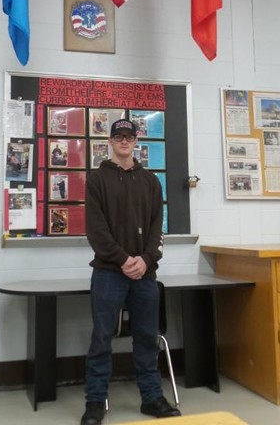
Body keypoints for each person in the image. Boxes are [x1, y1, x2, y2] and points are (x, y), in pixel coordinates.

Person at [81, 119, 181, 425]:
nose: (124, 140)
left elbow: (157, 228)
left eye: (129, 136)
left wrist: (146, 260)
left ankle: (151, 398)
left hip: (145, 274)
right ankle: (96, 402)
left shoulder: (151, 182)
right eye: (118, 136)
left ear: (136, 141)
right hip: (109, 273)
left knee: (146, 339)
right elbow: (96, 231)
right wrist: (124, 260)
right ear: (110, 141)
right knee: (101, 339)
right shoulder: (96, 180)